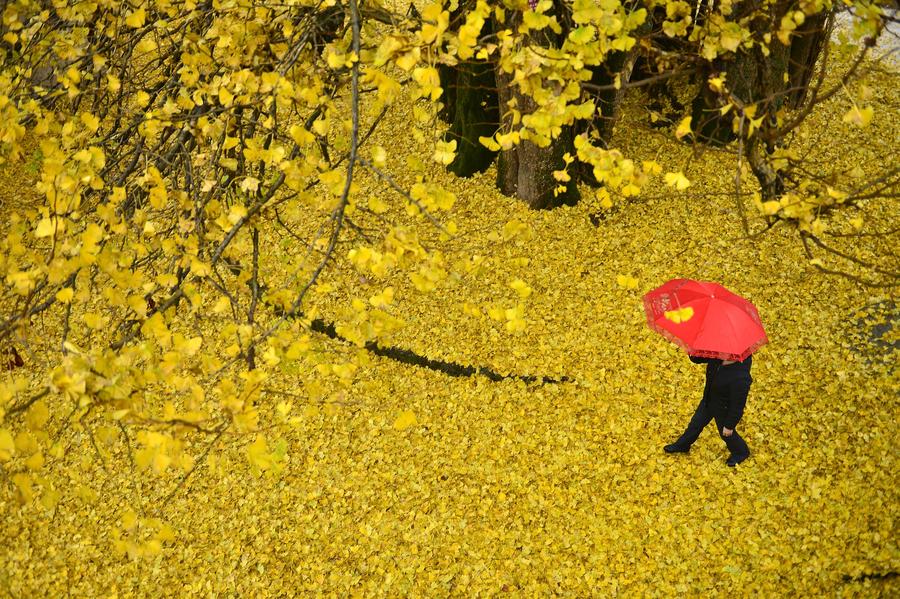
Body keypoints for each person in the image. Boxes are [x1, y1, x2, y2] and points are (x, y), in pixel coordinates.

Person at [664, 354, 752, 466]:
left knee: (726, 434)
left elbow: (737, 406)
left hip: (724, 408)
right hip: (709, 399)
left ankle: (741, 452)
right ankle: (682, 445)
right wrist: (692, 353)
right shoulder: (717, 356)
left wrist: (729, 425)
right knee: (695, 424)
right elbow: (700, 358)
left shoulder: (741, 378)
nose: (721, 352)